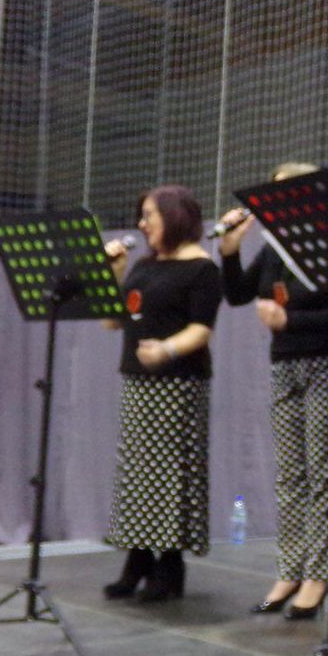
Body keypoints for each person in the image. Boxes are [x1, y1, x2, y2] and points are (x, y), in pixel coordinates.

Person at [219, 162, 328, 620]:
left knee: (322, 474)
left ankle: (319, 574)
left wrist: (291, 319)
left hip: (325, 363)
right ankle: (290, 569)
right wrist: (230, 251)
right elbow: (238, 295)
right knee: (290, 474)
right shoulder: (276, 247)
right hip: (284, 365)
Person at [101, 184, 222, 601]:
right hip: (138, 381)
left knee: (171, 477)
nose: (141, 223)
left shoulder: (202, 269)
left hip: (178, 384)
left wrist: (167, 349)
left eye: (149, 215)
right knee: (138, 476)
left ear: (173, 217)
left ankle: (170, 564)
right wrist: (115, 274)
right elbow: (112, 322)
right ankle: (138, 559)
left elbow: (202, 329)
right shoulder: (143, 265)